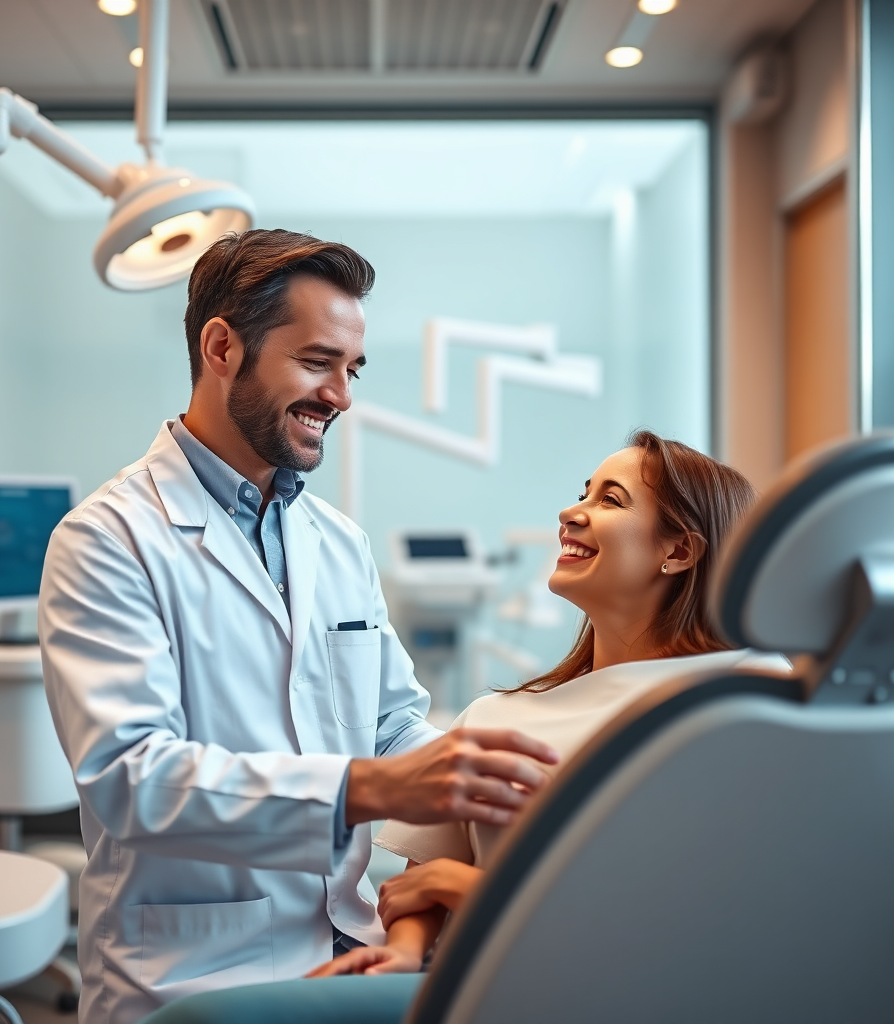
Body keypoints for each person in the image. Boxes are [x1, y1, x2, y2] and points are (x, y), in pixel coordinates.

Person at [38, 229, 557, 1024]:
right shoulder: (108, 538)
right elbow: (131, 780)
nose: (341, 396)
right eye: (317, 362)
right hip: (188, 972)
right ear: (222, 347)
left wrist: (478, 777)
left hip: (348, 948)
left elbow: (390, 725)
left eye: (351, 370)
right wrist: (370, 787)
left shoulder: (336, 542)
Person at [311, 430, 788, 978]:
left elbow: (714, 908)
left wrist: (477, 891)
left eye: (610, 499)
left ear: (679, 550)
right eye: (584, 493)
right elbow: (422, 888)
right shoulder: (498, 718)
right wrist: (401, 952)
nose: (571, 511)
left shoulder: (748, 697)